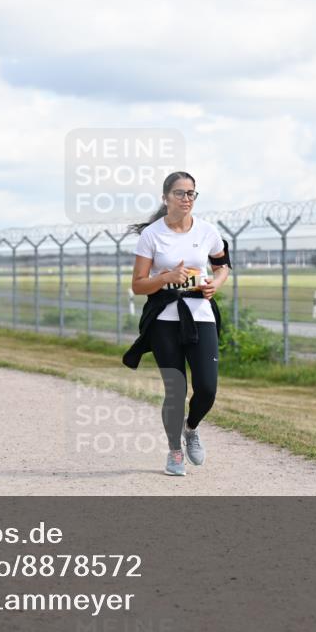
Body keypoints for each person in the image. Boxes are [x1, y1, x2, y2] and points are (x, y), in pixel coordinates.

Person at [123, 171, 231, 476]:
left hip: (200, 315)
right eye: (180, 193)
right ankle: (174, 452)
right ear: (166, 197)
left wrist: (216, 284)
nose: (186, 199)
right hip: (164, 319)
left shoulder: (207, 231)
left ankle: (191, 428)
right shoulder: (152, 235)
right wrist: (165, 278)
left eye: (191, 194)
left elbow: (222, 265)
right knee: (175, 389)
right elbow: (138, 285)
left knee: (207, 388)